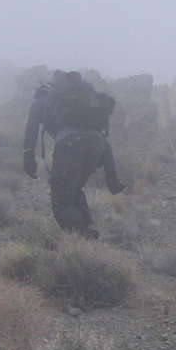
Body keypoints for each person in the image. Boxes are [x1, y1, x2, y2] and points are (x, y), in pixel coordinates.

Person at [23, 71, 126, 237]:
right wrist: (111, 176)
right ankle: (88, 229)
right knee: (74, 188)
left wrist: (28, 156)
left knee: (61, 199)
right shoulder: (82, 99)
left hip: (70, 143)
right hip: (98, 145)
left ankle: (80, 236)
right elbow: (100, 134)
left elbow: (31, 128)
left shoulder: (43, 98)